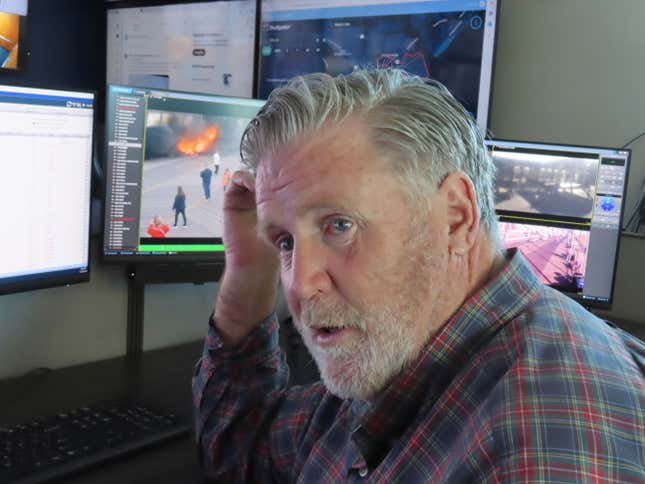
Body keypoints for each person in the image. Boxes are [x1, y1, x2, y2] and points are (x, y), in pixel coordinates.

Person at [192, 70, 645, 482]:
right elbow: (241, 450)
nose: (298, 283)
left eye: (339, 225)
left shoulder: (540, 451)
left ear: (455, 217)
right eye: (286, 242)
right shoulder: (401, 352)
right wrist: (250, 269)